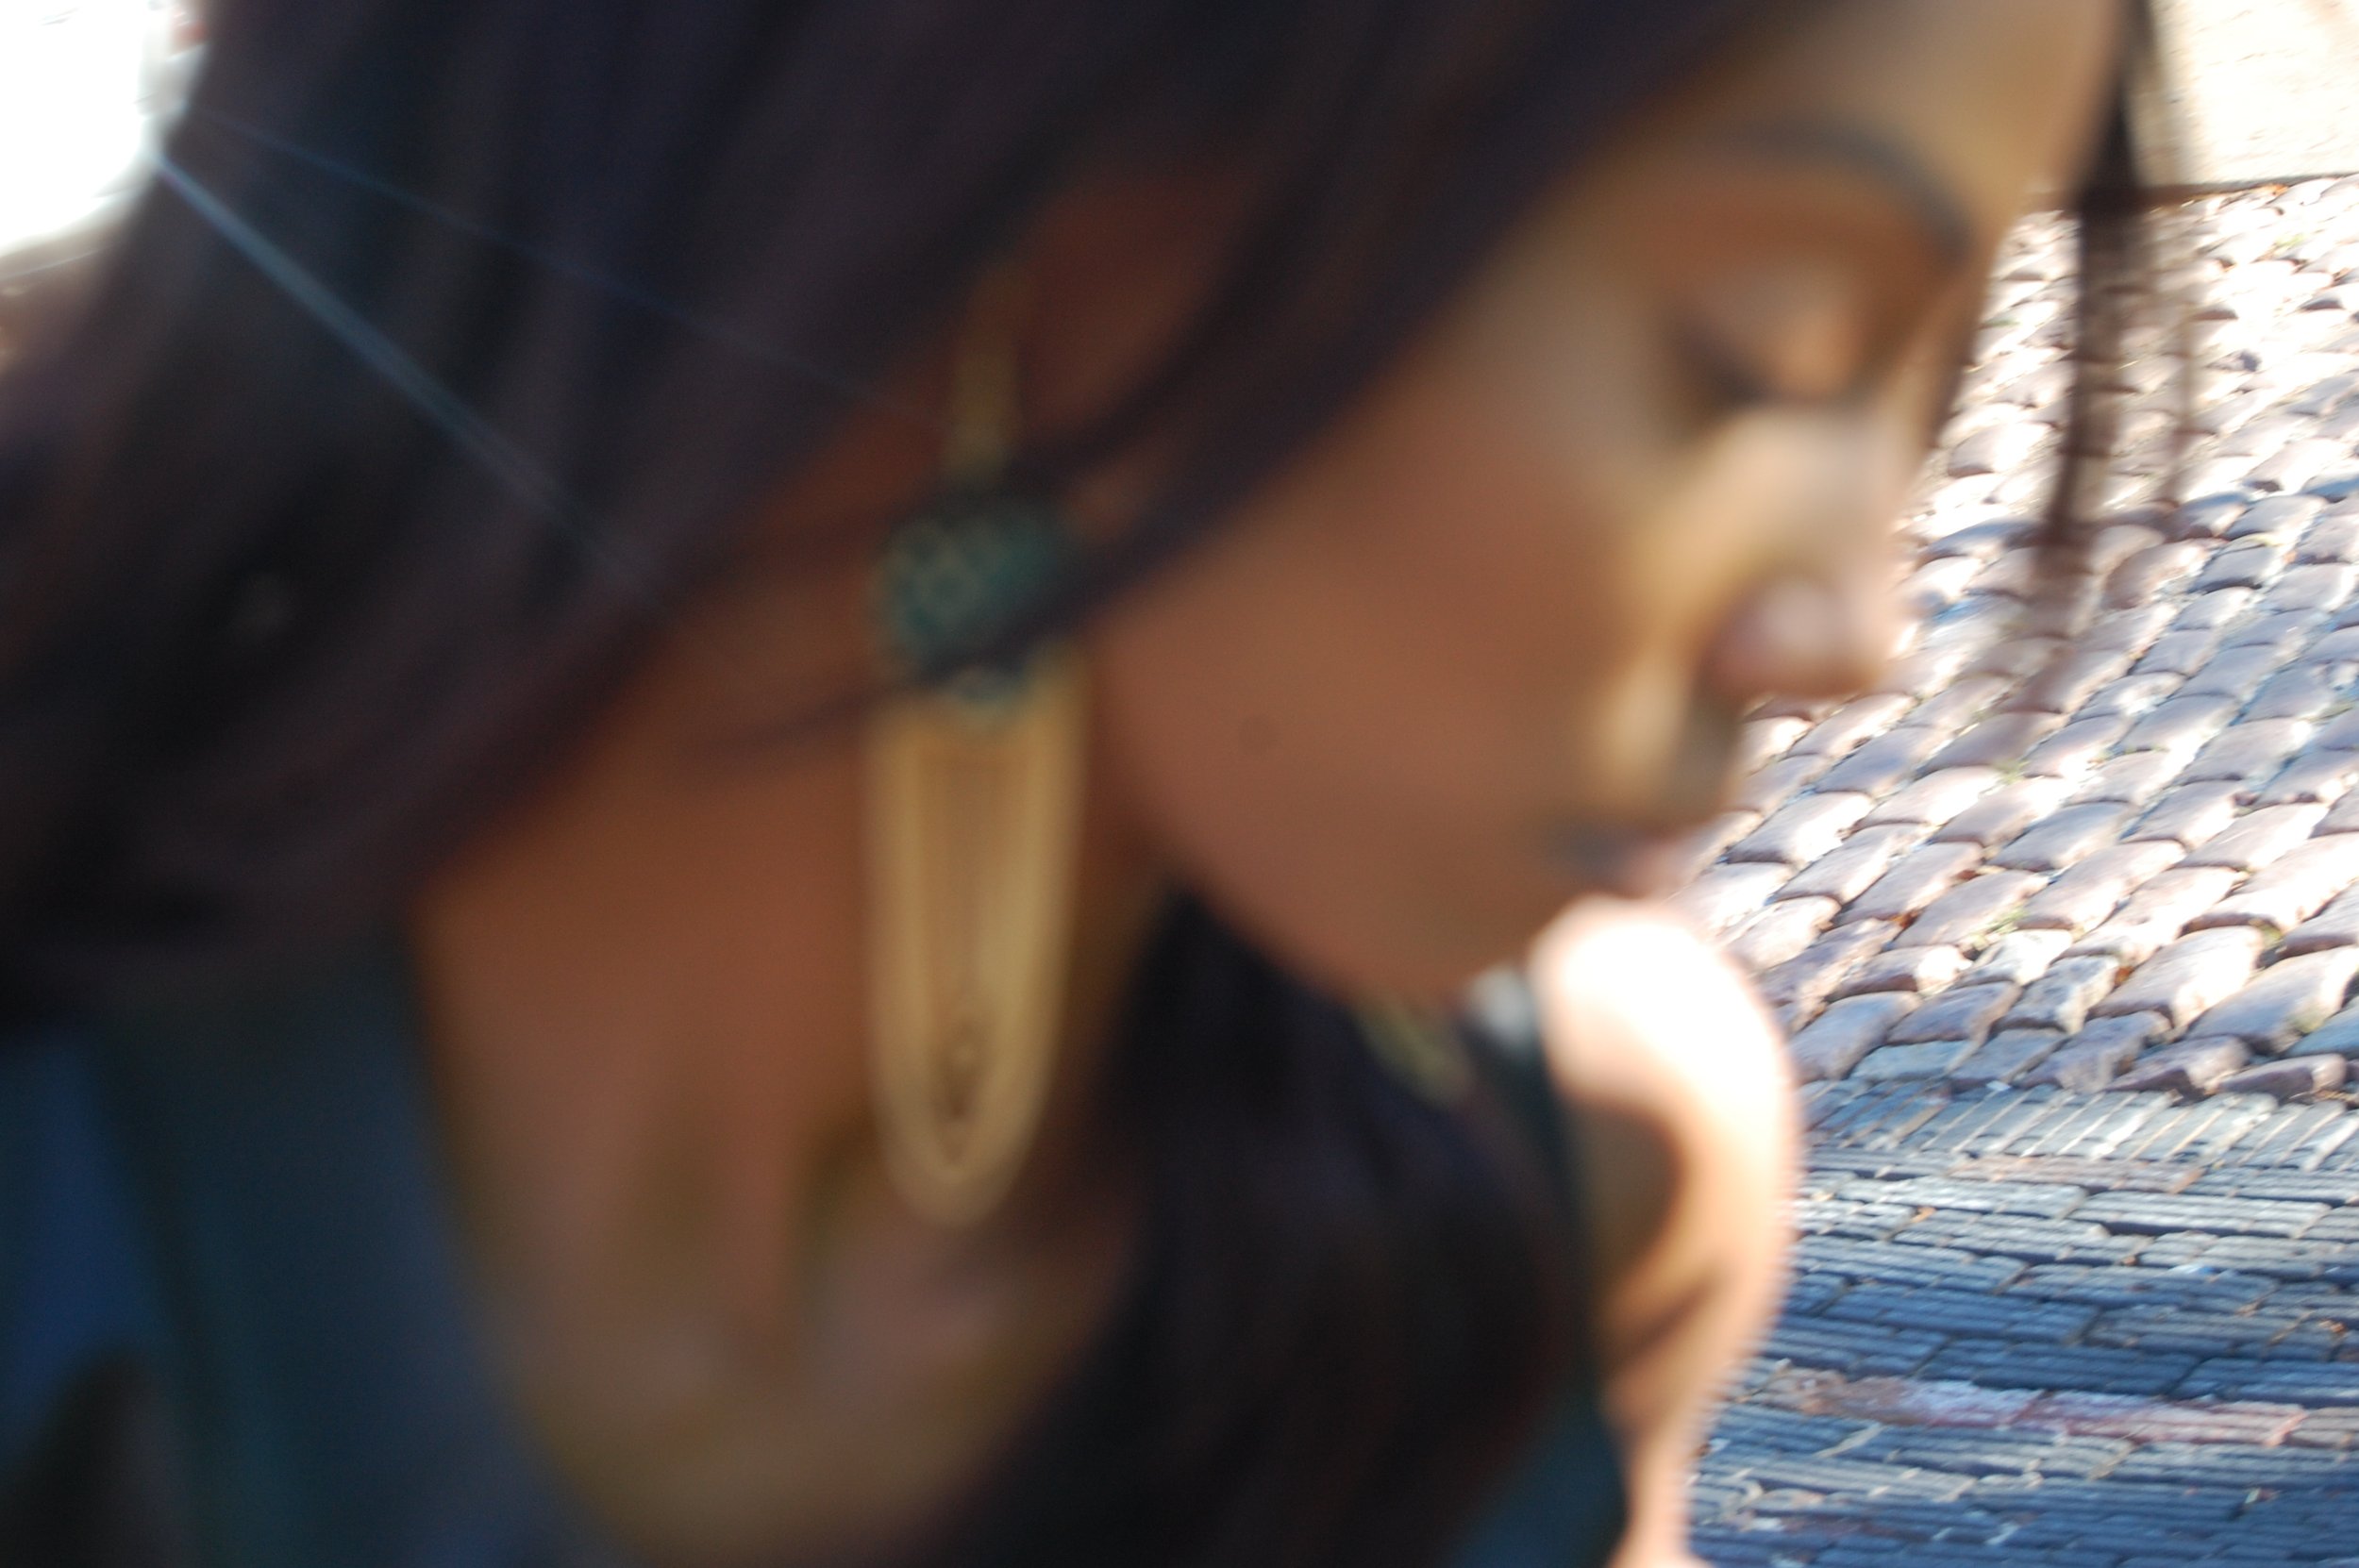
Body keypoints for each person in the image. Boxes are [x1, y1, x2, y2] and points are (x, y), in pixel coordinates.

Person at [0, 0, 2139, 1563]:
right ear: (1024, 169)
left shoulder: (1566, 1206)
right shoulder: (97, 1190)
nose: (1854, 624)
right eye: (1762, 346)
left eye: (1936, 386)